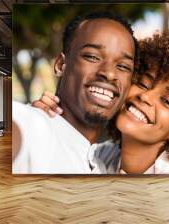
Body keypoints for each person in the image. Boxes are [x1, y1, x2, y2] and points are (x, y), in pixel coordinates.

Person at [33, 30, 169, 174]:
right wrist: (48, 121)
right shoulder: (103, 155)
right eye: (143, 84)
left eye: (167, 102)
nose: (145, 96)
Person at [12, 12, 138, 174]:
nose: (109, 73)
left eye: (123, 66)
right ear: (60, 65)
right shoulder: (32, 125)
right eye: (92, 57)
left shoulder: (105, 162)